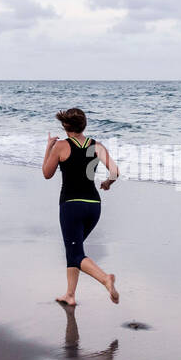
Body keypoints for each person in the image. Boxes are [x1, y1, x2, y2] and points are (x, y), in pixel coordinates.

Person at [42, 107, 120, 307]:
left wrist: (49, 147)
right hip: (94, 207)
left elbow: (46, 173)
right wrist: (107, 184)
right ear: (83, 125)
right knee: (74, 249)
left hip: (71, 206)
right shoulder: (97, 145)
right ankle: (70, 295)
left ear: (65, 126)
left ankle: (105, 279)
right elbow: (115, 171)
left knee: (75, 252)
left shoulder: (61, 146)